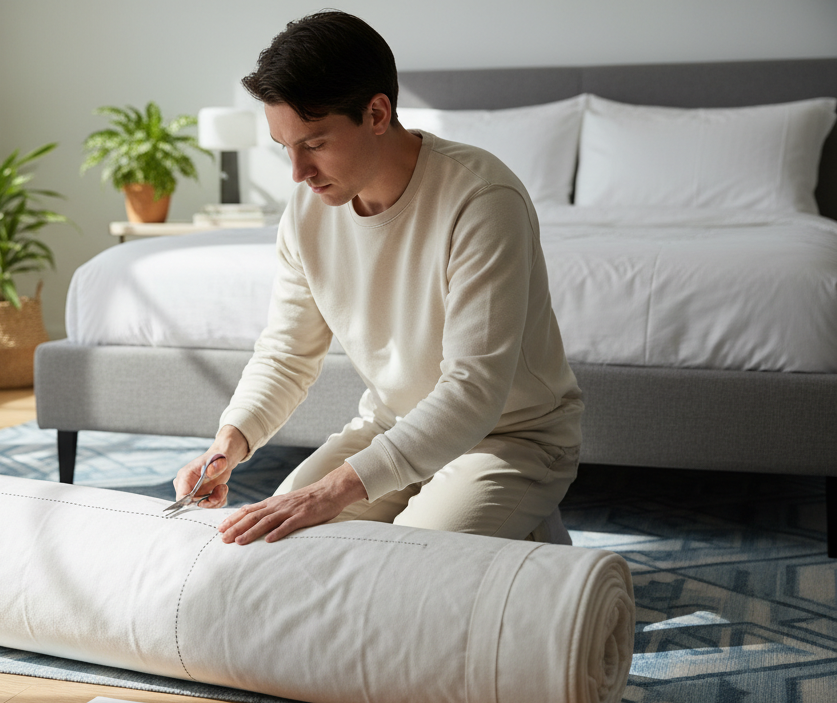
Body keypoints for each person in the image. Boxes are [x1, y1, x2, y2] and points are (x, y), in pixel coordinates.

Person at [173, 10, 583, 547]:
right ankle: (501, 530)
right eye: (284, 147)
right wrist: (231, 441)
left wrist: (333, 491)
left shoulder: (483, 201)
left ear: (376, 112)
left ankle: (525, 532)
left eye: (314, 143)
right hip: (393, 425)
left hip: (509, 436)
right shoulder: (306, 212)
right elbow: (287, 353)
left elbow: (473, 391)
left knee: (403, 560)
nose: (297, 173)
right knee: (282, 540)